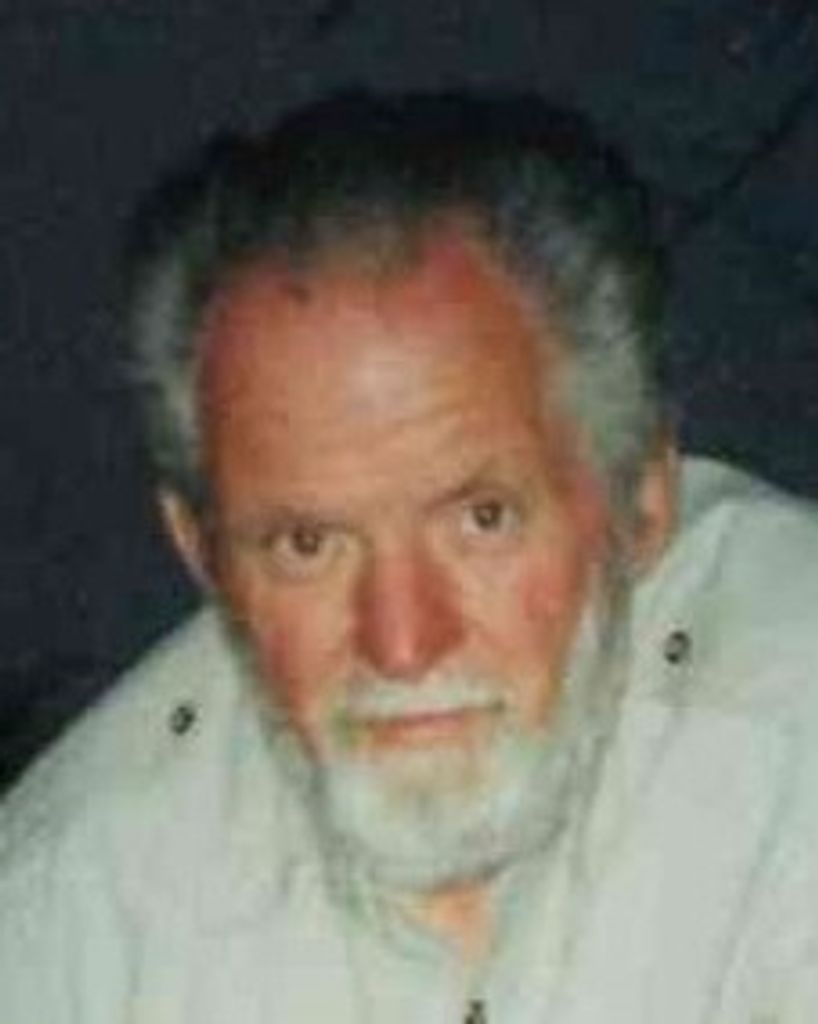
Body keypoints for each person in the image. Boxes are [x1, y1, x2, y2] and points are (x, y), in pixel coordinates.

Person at [1, 92, 817, 1022]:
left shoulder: (794, 740)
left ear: (640, 498)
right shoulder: (61, 926)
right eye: (308, 544)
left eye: (482, 520)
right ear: (203, 555)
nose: (402, 643)